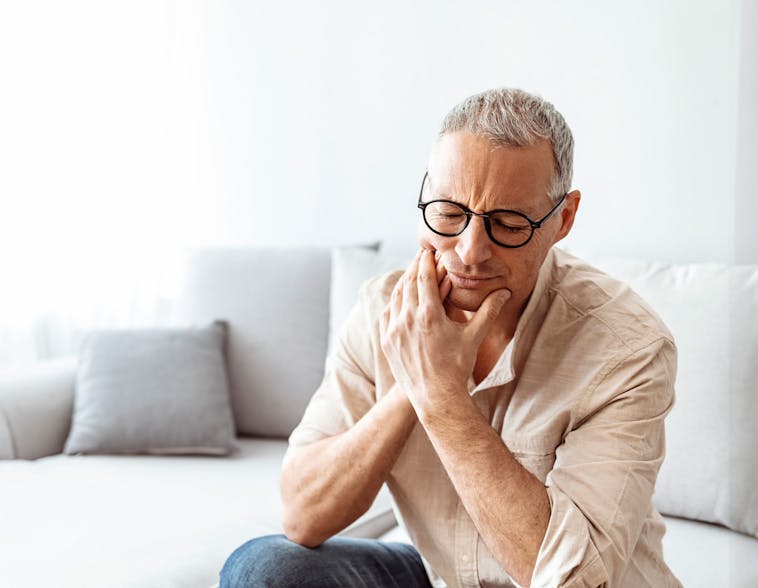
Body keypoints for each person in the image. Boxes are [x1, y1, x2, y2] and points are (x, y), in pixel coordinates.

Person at [220, 88, 681, 587]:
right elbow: (303, 515)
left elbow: (569, 580)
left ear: (562, 219)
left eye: (508, 224)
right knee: (266, 569)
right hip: (446, 579)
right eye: (448, 213)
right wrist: (415, 379)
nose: (469, 252)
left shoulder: (627, 348)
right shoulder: (385, 310)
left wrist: (441, 397)